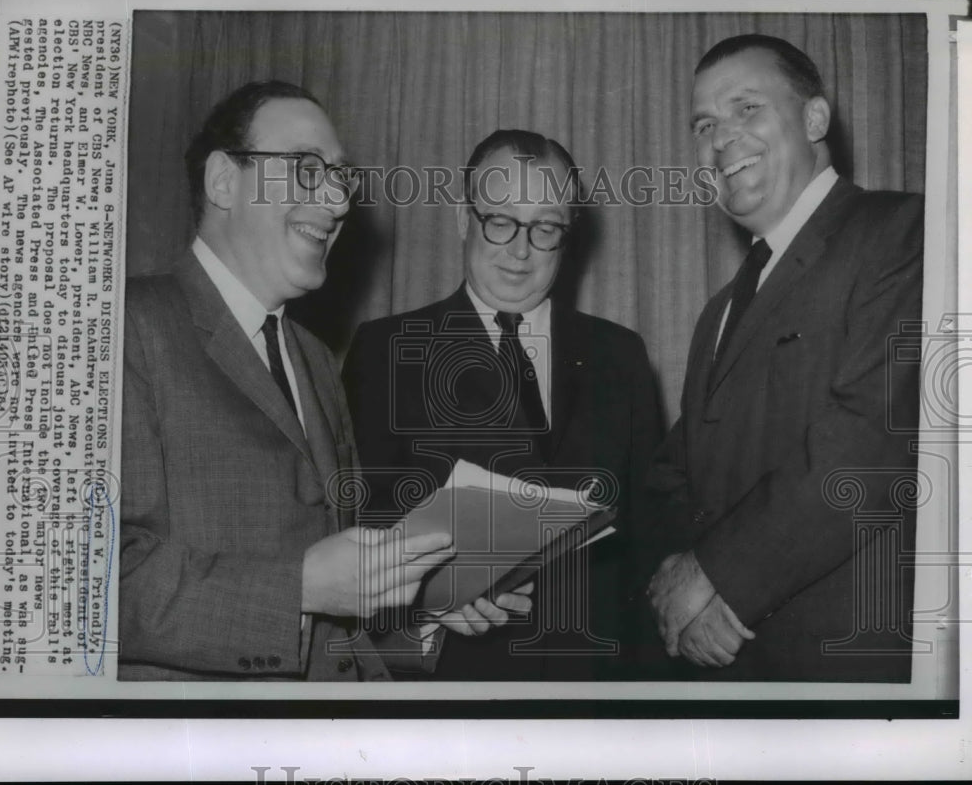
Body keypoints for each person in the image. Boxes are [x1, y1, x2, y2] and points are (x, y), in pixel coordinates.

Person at [118, 81, 457, 681]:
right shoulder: (125, 327)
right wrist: (296, 589)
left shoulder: (316, 358)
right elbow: (86, 585)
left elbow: (339, 596)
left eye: (339, 177)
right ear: (223, 181)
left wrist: (427, 600)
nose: (336, 201)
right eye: (306, 170)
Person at [643, 35, 923, 681]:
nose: (721, 139)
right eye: (705, 124)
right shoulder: (718, 309)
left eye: (747, 109)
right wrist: (674, 579)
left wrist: (719, 579)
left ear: (815, 119)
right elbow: (674, 472)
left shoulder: (901, 232)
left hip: (845, 667)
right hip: (730, 667)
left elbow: (873, 441)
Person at [343, 129, 662, 680]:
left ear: (568, 237)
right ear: (462, 221)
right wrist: (424, 605)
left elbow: (651, 541)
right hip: (453, 695)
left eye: (545, 228)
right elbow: (352, 534)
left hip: (594, 694)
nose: (521, 249)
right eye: (500, 221)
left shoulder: (622, 356)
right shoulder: (384, 351)